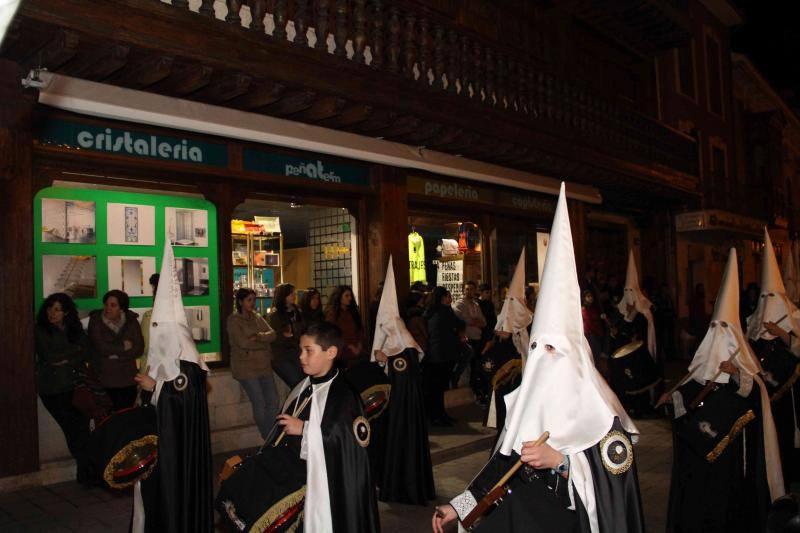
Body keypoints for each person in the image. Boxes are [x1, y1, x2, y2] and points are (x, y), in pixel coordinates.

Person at [433, 183, 644, 533]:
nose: (543, 359)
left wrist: (561, 462)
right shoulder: (528, 402)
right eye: (537, 349)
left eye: (553, 350)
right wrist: (458, 506)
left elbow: (616, 480)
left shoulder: (603, 415)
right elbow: (500, 465)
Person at [662, 247, 785, 533]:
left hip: (733, 457)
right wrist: (674, 396)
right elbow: (691, 387)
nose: (718, 334)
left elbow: (755, 394)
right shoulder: (704, 363)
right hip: (704, 454)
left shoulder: (744, 367)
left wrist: (736, 375)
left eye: (724, 328)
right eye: (714, 327)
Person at [132, 242, 212, 532]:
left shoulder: (188, 367)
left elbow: (183, 403)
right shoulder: (163, 361)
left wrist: (155, 388)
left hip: (178, 456)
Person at [274, 322, 380, 532]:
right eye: (300, 350)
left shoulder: (343, 394)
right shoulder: (305, 386)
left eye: (308, 351)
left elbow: (345, 442)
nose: (301, 357)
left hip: (336, 487)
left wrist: (304, 429)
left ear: (331, 352)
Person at [370, 257, 435, 505]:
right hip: (396, 411)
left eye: (387, 327)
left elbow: (402, 375)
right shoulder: (398, 349)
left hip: (403, 414)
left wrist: (386, 359)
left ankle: (403, 488)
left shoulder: (405, 350)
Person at [746, 228, 800, 490]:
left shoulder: (794, 320)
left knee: (787, 435)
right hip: (763, 395)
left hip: (790, 397)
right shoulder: (754, 323)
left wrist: (785, 336)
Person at [34, 293, 92, 485]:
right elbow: (50, 356)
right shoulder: (41, 330)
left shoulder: (74, 329)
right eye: (50, 308)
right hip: (53, 388)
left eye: (57, 309)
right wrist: (73, 353)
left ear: (66, 312)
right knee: (72, 429)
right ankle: (88, 473)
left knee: (82, 428)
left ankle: (87, 473)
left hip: (76, 385)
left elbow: (85, 351)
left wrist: (68, 357)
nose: (52, 313)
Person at [481, 251, 532, 448]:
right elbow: (498, 334)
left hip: (520, 373)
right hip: (504, 374)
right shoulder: (505, 321)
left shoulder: (527, 321)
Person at [610, 251, 661, 417]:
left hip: (640, 356)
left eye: (631, 290)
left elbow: (644, 332)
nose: (628, 294)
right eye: (626, 290)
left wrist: (632, 318)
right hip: (624, 357)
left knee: (642, 382)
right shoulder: (620, 310)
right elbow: (617, 332)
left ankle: (645, 405)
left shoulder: (644, 312)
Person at [227, 288, 280, 439]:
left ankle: (271, 436)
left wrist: (258, 337)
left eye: (254, 300)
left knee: (273, 400)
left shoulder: (257, 317)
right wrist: (263, 343)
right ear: (240, 302)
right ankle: (269, 438)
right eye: (249, 300)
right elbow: (243, 343)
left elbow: (273, 334)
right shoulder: (234, 320)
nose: (252, 303)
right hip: (246, 367)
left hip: (264, 365)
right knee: (259, 402)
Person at [88, 289, 144, 411]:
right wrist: (123, 347)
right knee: (109, 418)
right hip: (104, 378)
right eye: (106, 304)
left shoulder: (131, 321)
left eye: (113, 305)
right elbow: (101, 348)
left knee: (127, 415)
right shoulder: (96, 321)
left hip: (128, 378)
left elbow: (139, 348)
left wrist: (115, 356)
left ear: (122, 308)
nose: (108, 308)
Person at [424, 286, 465, 426]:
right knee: (439, 387)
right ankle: (439, 415)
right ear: (443, 298)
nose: (451, 298)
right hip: (444, 355)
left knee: (435, 387)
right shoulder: (445, 311)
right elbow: (460, 324)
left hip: (434, 355)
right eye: (448, 296)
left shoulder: (430, 312)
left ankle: (436, 414)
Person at [453, 280, 487, 398]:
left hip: (477, 337)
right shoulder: (459, 304)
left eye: (472, 289)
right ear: (463, 290)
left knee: (476, 365)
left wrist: (475, 322)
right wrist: (475, 321)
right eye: (467, 289)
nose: (469, 291)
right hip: (468, 339)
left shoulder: (476, 305)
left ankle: (475, 388)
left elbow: (484, 322)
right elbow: (466, 321)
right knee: (467, 365)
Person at [268, 283, 305, 388]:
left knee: (304, 380)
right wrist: (284, 335)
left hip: (296, 351)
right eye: (290, 294)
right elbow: (273, 337)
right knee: (296, 382)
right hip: (281, 355)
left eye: (294, 294)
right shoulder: (275, 315)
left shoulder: (297, 312)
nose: (294, 296)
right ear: (282, 296)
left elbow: (302, 330)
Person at [324, 285, 364, 369]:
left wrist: (359, 346)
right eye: (346, 296)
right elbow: (332, 335)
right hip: (341, 353)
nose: (350, 298)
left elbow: (359, 330)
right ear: (339, 297)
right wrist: (349, 346)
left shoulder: (353, 312)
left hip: (357, 351)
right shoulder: (332, 314)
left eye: (350, 296)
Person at [139, 273, 160, 372]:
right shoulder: (149, 317)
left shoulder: (149, 317)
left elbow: (145, 347)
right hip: (154, 372)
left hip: (150, 372)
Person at [582, 289, 604, 363]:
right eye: (588, 296)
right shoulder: (584, 309)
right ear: (584, 298)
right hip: (589, 335)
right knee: (593, 355)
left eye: (591, 296)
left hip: (595, 334)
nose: (591, 298)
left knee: (597, 355)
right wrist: (598, 332)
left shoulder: (593, 308)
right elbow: (589, 323)